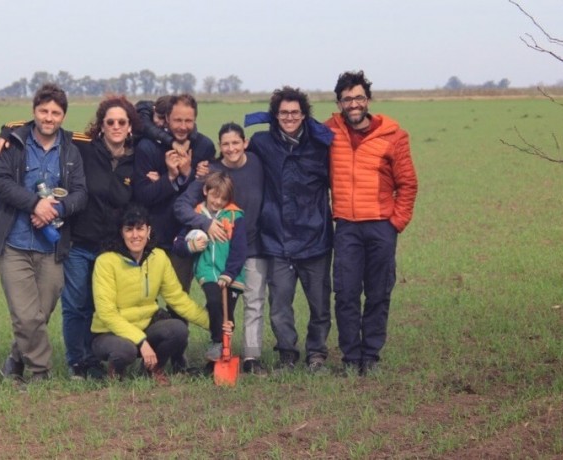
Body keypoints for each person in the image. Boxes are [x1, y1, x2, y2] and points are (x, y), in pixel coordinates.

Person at [0, 96, 142, 380]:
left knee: (104, 306)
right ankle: (78, 362)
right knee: (76, 305)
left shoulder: (137, 157)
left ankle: (101, 359)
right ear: (100, 126)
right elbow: (43, 126)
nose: (115, 126)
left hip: (112, 248)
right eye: (109, 122)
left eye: (122, 122)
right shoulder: (83, 145)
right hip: (77, 243)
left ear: (130, 126)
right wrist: (5, 132)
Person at [0, 83, 87, 384]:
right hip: (13, 242)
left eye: (55, 112)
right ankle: (40, 373)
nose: (49, 117)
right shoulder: (13, 143)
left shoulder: (71, 150)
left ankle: (15, 360)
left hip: (52, 247)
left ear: (63, 116)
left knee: (39, 315)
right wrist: (35, 204)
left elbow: (81, 194)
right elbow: (0, 182)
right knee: (26, 316)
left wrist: (56, 209)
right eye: (43, 111)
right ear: (34, 112)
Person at [325, 71, 418, 375]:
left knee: (378, 292)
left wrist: (396, 223)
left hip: (381, 226)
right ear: (339, 102)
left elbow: (407, 184)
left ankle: (371, 355)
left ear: (368, 99)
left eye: (359, 97)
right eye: (347, 99)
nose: (354, 104)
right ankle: (351, 357)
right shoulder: (328, 133)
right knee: (347, 293)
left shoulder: (393, 135)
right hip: (347, 227)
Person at [244, 86, 335, 373]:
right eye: (283, 112)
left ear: (304, 114)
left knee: (319, 303)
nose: (289, 117)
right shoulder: (261, 142)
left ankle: (317, 354)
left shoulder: (321, 145)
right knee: (280, 304)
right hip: (277, 238)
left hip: (315, 237)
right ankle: (287, 354)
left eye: (295, 112)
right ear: (275, 115)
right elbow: (236, 161)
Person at [173, 123, 268, 375]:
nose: (231, 148)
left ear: (245, 143)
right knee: (218, 303)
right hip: (215, 259)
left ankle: (251, 357)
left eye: (236, 143)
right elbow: (183, 207)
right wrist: (205, 225)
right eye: (225, 144)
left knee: (254, 303)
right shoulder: (211, 172)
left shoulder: (257, 162)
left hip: (251, 244)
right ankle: (219, 351)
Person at [133, 94, 215, 372]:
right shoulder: (147, 147)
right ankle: (147, 355)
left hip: (184, 238)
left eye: (188, 120)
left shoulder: (204, 146)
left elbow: (206, 195)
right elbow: (142, 195)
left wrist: (190, 173)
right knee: (144, 300)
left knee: (179, 297)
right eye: (177, 120)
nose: (182, 126)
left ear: (196, 119)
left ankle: (177, 356)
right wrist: (169, 177)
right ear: (166, 118)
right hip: (152, 238)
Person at [90, 205, 210, 385]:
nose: (135, 235)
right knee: (126, 350)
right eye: (129, 230)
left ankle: (153, 368)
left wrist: (214, 323)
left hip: (146, 326)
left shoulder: (159, 257)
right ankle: (116, 370)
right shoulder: (105, 262)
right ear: (121, 233)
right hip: (110, 333)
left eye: (140, 229)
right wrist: (141, 342)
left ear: (148, 231)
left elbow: (178, 299)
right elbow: (107, 313)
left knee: (178, 329)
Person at [173, 171, 247, 363]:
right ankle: (216, 342)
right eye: (215, 196)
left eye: (223, 198)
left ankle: (223, 353)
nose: (217, 202)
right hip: (207, 272)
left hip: (231, 275)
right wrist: (191, 246)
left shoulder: (235, 216)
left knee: (227, 316)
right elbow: (178, 244)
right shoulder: (196, 215)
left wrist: (229, 273)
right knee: (214, 302)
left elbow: (240, 249)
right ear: (205, 191)